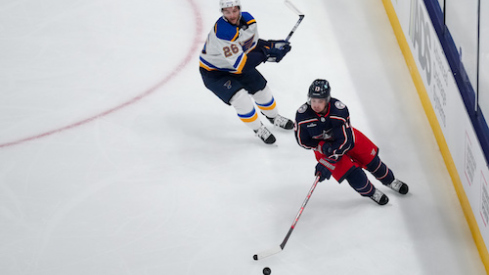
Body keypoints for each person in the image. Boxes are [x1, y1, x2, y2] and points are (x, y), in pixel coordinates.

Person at [294, 79, 409, 205]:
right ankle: (371, 192)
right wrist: (321, 146)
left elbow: (346, 141)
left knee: (374, 163)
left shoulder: (338, 111)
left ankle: (390, 180)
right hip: (323, 151)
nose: (315, 105)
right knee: (355, 177)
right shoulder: (302, 116)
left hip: (348, 141)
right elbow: (303, 141)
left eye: (320, 101)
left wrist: (329, 160)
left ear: (327, 100)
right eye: (313, 100)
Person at [199, 0, 294, 144]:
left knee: (263, 91)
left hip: (234, 65)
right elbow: (242, 65)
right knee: (241, 99)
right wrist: (267, 53)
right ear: (222, 12)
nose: (231, 15)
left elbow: (251, 45)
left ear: (239, 9)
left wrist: (271, 44)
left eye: (234, 11)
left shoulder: (249, 20)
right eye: (227, 12)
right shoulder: (223, 33)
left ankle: (274, 118)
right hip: (214, 73)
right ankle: (258, 128)